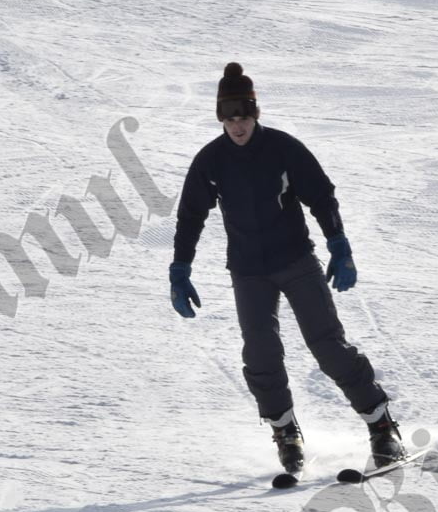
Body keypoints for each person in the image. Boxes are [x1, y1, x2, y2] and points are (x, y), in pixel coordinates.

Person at [169, 62, 404, 477]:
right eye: (229, 118)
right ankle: (285, 432)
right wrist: (180, 268)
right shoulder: (211, 161)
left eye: (243, 116)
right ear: (220, 118)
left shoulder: (283, 149)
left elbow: (321, 195)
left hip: (296, 261)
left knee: (328, 346)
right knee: (260, 353)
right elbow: (191, 216)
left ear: (254, 114)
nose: (237, 126)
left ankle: (381, 425)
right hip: (248, 271)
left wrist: (338, 244)